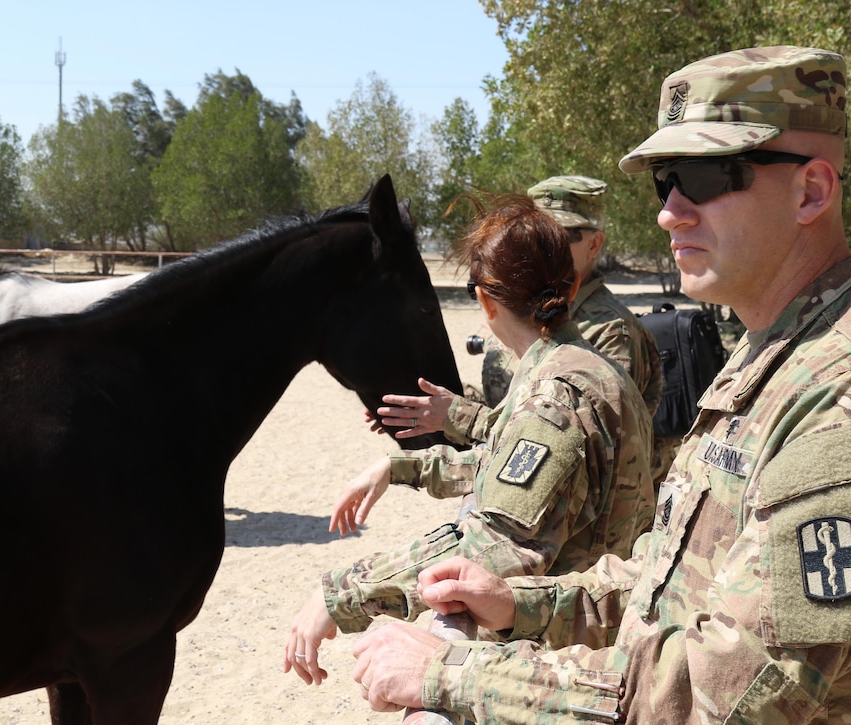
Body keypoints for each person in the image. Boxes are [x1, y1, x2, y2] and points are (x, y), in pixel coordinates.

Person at [349, 45, 851, 722]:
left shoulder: (834, 395)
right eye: (665, 181)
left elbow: (726, 695)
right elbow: (667, 582)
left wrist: (454, 672)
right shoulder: (774, 351)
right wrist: (520, 602)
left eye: (703, 176)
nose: (669, 212)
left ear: (811, 191)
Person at [283, 194, 655, 686]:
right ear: (573, 281)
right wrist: (400, 469)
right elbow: (511, 465)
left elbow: (491, 546)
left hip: (570, 666)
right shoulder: (577, 366)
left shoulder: (555, 398)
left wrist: (341, 595)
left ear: (484, 301)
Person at [377, 176, 673, 482]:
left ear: (595, 244)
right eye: (537, 230)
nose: (542, 243)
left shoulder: (613, 331)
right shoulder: (520, 310)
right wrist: (428, 404)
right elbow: (510, 400)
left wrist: (457, 416)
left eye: (561, 234)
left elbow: (572, 441)